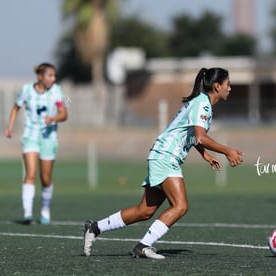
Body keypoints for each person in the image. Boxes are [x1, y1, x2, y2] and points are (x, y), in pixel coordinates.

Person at [83, 67, 244, 259]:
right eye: (228, 84)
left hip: (161, 155)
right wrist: (228, 151)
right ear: (217, 86)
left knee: (144, 211)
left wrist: (205, 155)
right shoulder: (203, 104)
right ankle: (143, 246)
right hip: (165, 157)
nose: (230, 88)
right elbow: (200, 136)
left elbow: (191, 134)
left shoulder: (201, 102)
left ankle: (94, 227)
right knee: (180, 206)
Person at [5, 63, 68, 224]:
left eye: (54, 76)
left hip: (49, 138)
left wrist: (53, 118)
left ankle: (45, 210)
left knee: (45, 178)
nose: (53, 79)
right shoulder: (26, 90)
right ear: (40, 76)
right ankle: (27, 213)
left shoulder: (56, 91)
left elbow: (64, 114)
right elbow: (15, 108)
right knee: (30, 173)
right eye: (50, 75)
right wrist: (10, 127)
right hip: (30, 136)